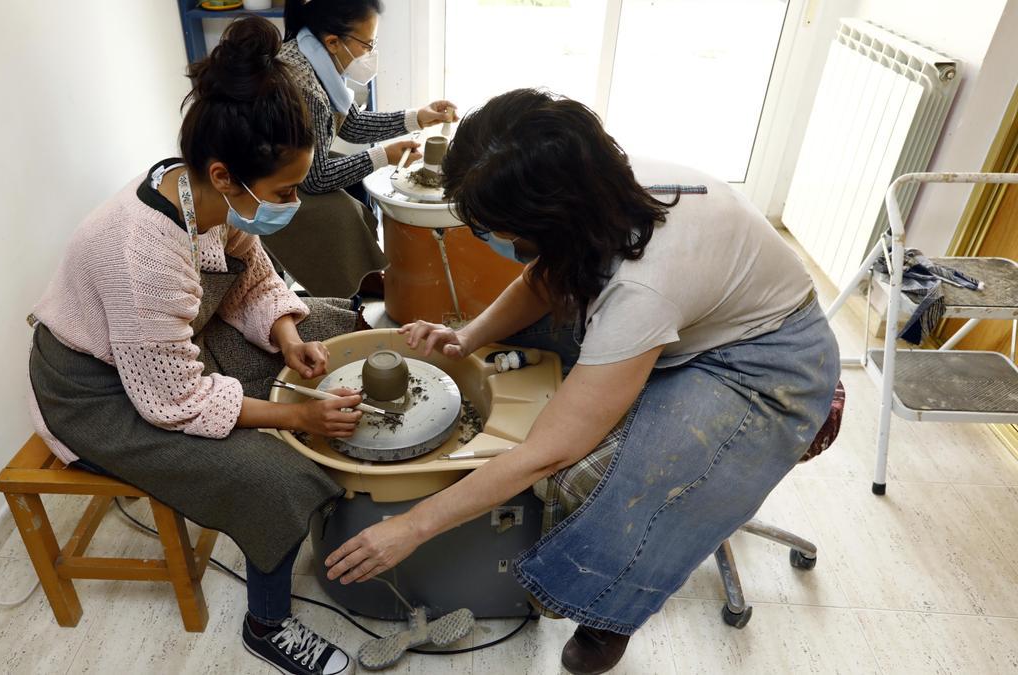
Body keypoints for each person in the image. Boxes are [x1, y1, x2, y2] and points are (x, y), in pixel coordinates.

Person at [322, 89, 840, 675]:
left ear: (551, 221)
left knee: (604, 481)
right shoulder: (600, 187)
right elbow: (547, 274)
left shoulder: (644, 285)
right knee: (539, 358)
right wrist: (470, 339)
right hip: (695, 315)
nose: (494, 240)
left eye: (500, 230)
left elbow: (552, 449)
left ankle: (607, 613)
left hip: (765, 364)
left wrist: (413, 525)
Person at [26, 17, 360, 675]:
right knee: (274, 473)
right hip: (99, 391)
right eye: (285, 192)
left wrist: (288, 336)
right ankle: (267, 623)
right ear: (225, 175)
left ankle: (309, 425)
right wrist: (293, 415)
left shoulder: (204, 195)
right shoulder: (143, 252)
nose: (291, 203)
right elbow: (172, 400)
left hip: (169, 344)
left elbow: (253, 272)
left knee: (333, 325)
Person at [263, 0, 459, 298]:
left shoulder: (313, 55)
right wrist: (384, 156)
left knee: (358, 182)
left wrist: (418, 117)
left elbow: (352, 124)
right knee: (345, 212)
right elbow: (315, 180)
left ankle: (363, 274)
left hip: (288, 163)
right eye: (367, 44)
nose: (370, 53)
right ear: (333, 42)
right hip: (268, 181)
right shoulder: (303, 85)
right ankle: (345, 291)